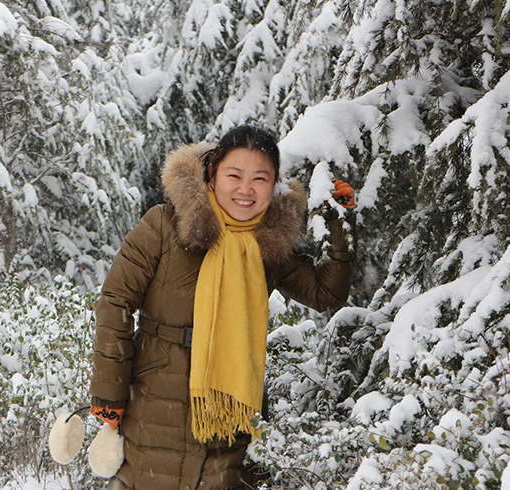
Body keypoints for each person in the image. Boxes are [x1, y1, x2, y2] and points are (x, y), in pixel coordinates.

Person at [89, 125, 356, 490]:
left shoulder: (269, 246)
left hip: (230, 415)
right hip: (153, 402)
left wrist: (339, 222)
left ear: (274, 183)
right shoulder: (164, 226)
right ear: (213, 173)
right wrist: (109, 392)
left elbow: (326, 293)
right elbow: (115, 303)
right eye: (235, 175)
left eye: (260, 178)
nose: (246, 189)